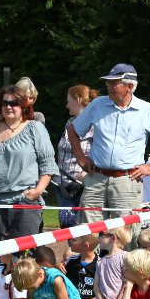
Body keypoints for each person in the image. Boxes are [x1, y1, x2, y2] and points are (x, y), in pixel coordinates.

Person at [68, 63, 150, 230]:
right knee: (88, 234)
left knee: (127, 235)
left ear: (129, 86)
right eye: (108, 83)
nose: (109, 86)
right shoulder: (98, 104)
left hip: (127, 181)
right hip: (95, 178)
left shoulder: (147, 110)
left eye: (114, 83)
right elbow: (73, 129)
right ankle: (93, 257)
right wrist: (80, 157)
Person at [0, 83, 57, 244]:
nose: (8, 106)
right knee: (1, 258)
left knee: (25, 259)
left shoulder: (35, 128)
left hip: (24, 200)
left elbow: (47, 163)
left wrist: (38, 190)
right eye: (5, 103)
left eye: (13, 103)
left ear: (23, 106)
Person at [56, 85, 97, 228]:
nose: (66, 105)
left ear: (78, 100)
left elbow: (100, 153)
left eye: (68, 101)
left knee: (82, 234)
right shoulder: (69, 123)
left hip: (82, 188)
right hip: (63, 187)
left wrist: (84, 173)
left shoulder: (95, 125)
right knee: (67, 228)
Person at [91, 225, 131, 299]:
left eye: (101, 235)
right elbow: (96, 286)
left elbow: (126, 284)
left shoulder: (126, 258)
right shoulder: (100, 260)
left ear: (113, 238)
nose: (98, 238)